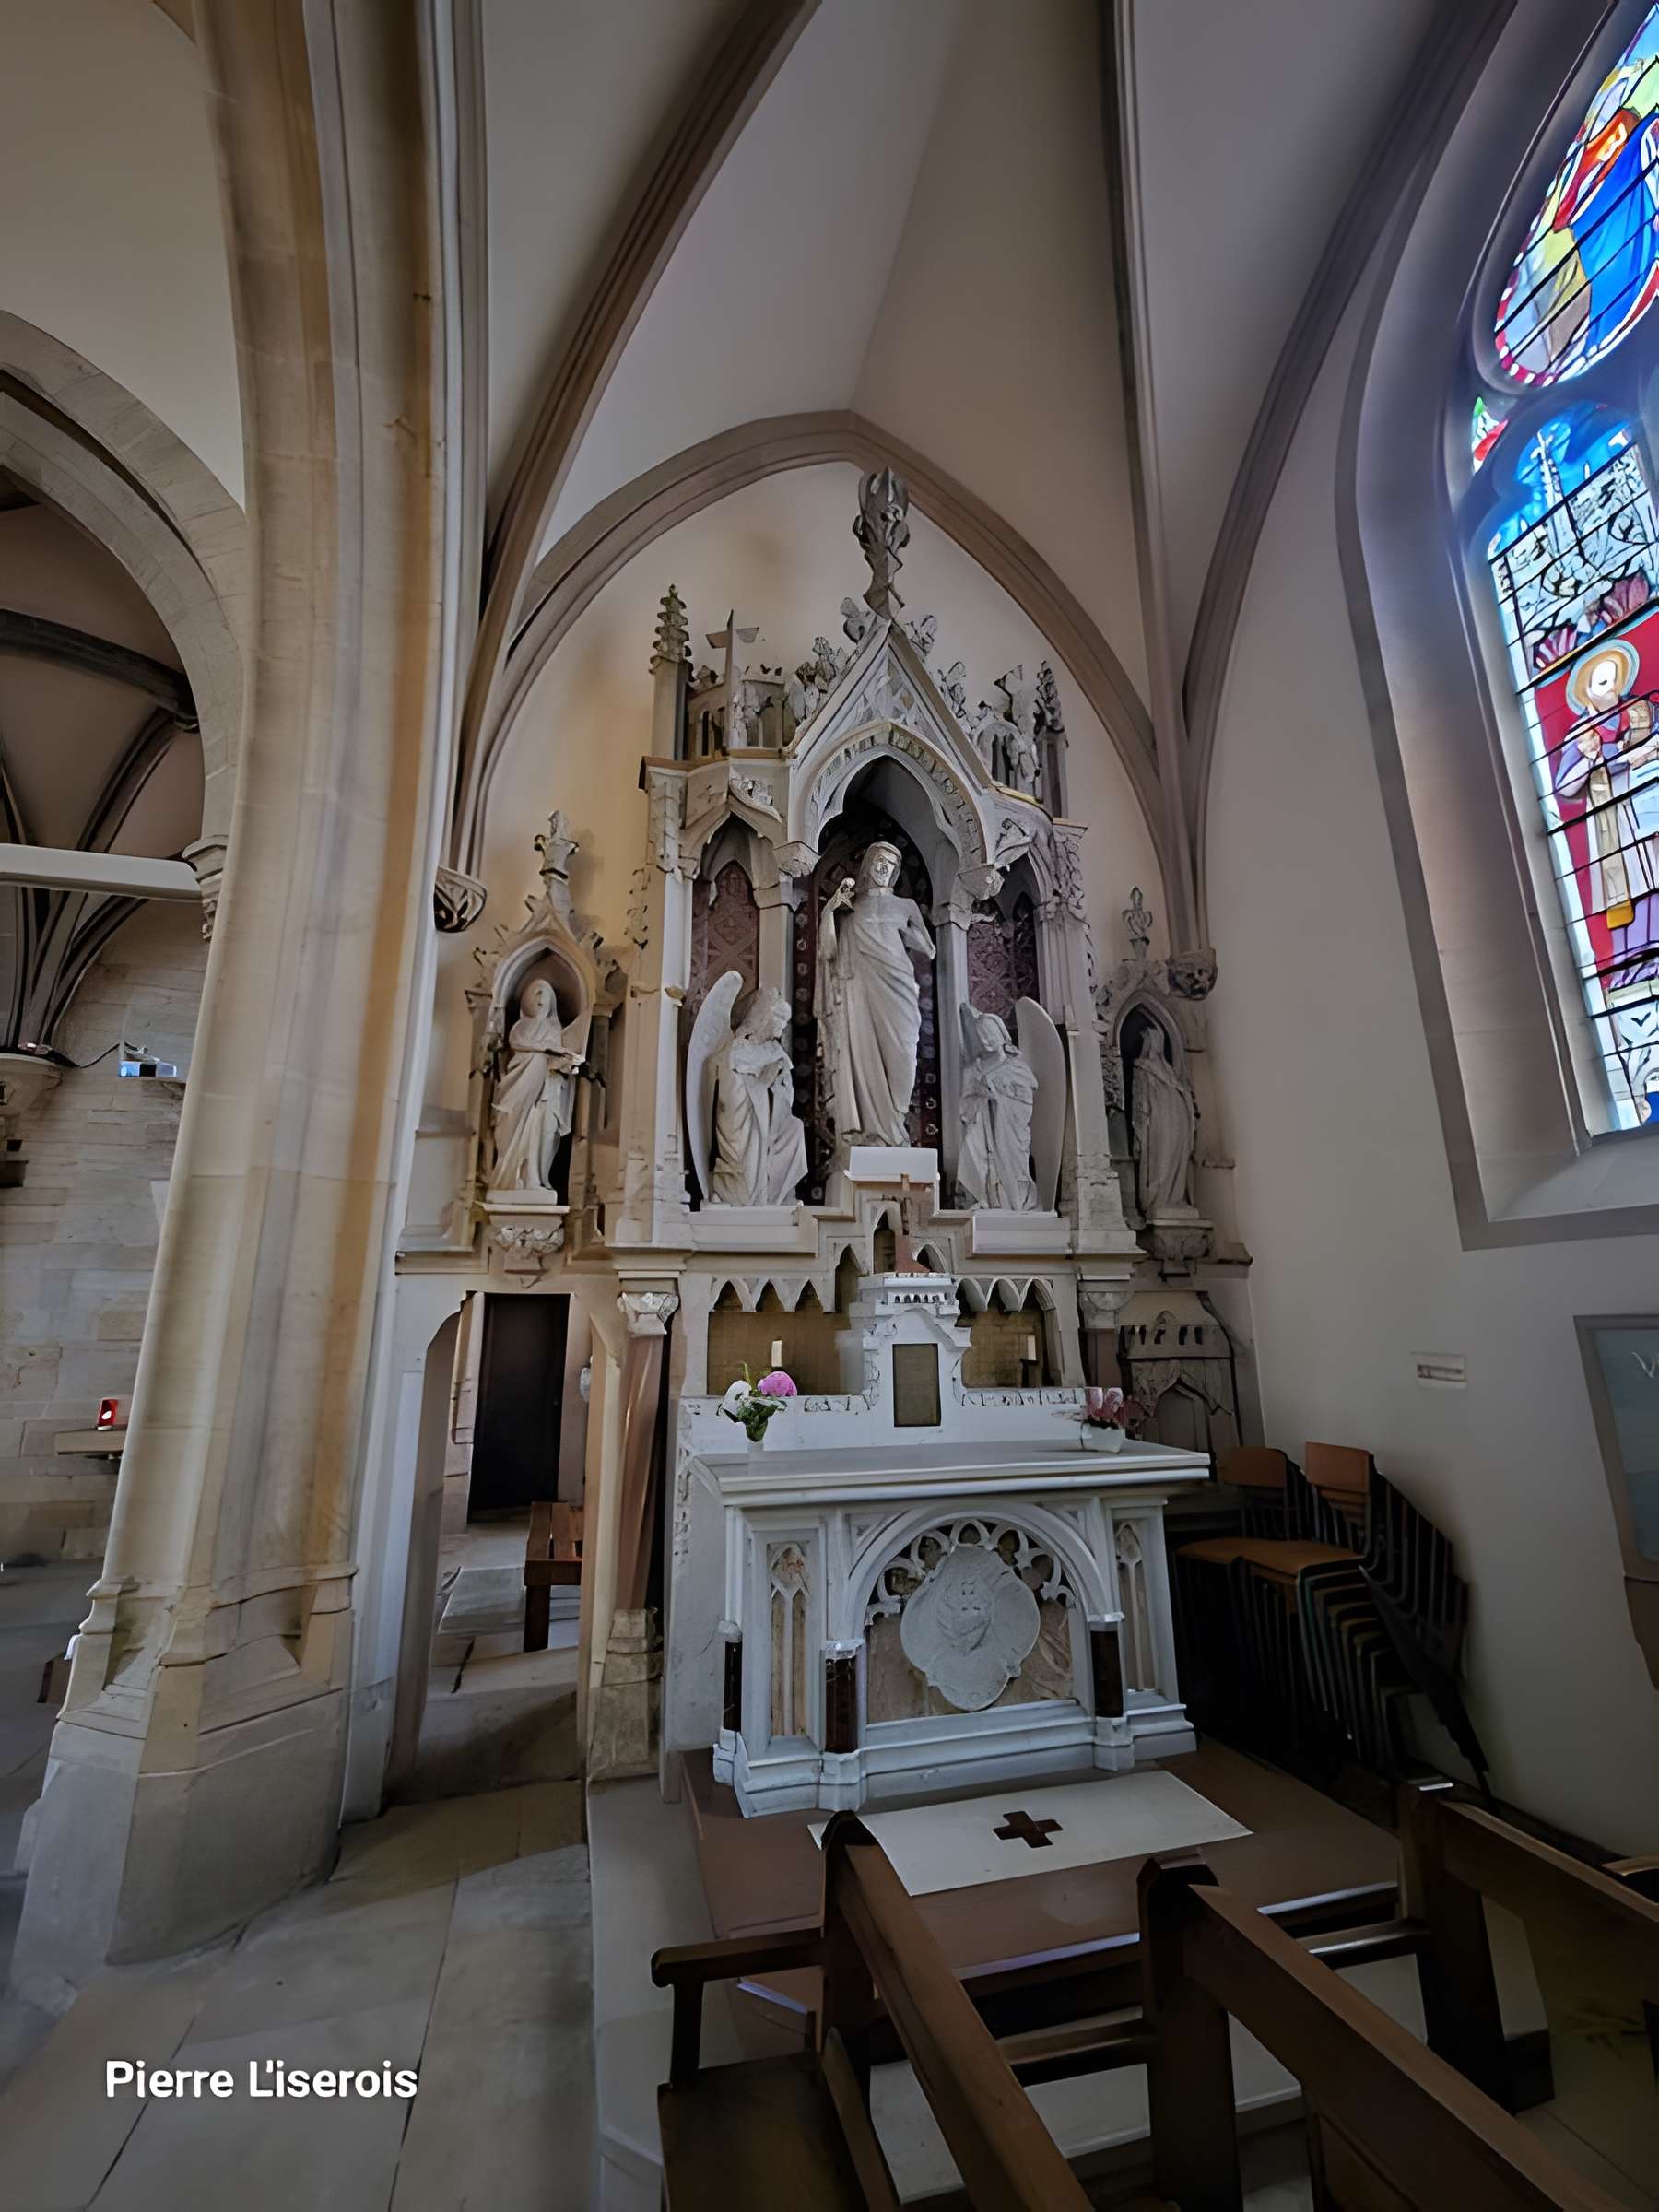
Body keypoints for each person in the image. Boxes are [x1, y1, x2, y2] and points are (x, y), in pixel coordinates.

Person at [815, 841, 935, 1149]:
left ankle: (896, 1123)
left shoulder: (906, 906)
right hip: (859, 986)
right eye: (879, 861)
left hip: (898, 984)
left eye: (890, 864)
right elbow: (829, 951)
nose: (883, 867)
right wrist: (830, 910)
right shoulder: (851, 905)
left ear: (895, 871)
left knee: (904, 1054)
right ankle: (871, 1132)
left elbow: (929, 949)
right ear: (868, 866)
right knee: (861, 1049)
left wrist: (908, 932)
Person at [709, 987, 807, 1206]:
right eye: (777, 1026)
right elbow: (730, 1096)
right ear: (764, 1021)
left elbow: (786, 1093)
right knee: (753, 1135)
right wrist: (762, 1083)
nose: (779, 1034)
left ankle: (777, 1195)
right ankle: (756, 1196)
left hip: (770, 1118)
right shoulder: (737, 1049)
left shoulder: (775, 1051)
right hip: (743, 1121)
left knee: (795, 1128)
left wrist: (778, 1083)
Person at [488, 978, 582, 1194]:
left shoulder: (554, 1030)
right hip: (519, 1086)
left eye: (544, 996)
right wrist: (549, 1049)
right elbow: (517, 1042)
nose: (540, 1000)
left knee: (540, 1132)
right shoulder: (520, 1027)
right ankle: (511, 1177)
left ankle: (534, 1178)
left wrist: (569, 1064)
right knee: (510, 1127)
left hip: (546, 1092)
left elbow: (557, 1064)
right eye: (536, 994)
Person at [958, 1010, 1038, 1210]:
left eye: (989, 1034)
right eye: (981, 1036)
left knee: (1013, 1163)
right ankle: (988, 1198)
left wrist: (999, 1098)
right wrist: (982, 1095)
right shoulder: (974, 1070)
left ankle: (1015, 1203)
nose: (985, 1040)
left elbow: (1026, 1098)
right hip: (983, 1127)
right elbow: (965, 1106)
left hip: (1010, 1129)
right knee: (974, 1150)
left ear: (1002, 1033)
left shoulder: (1016, 1067)